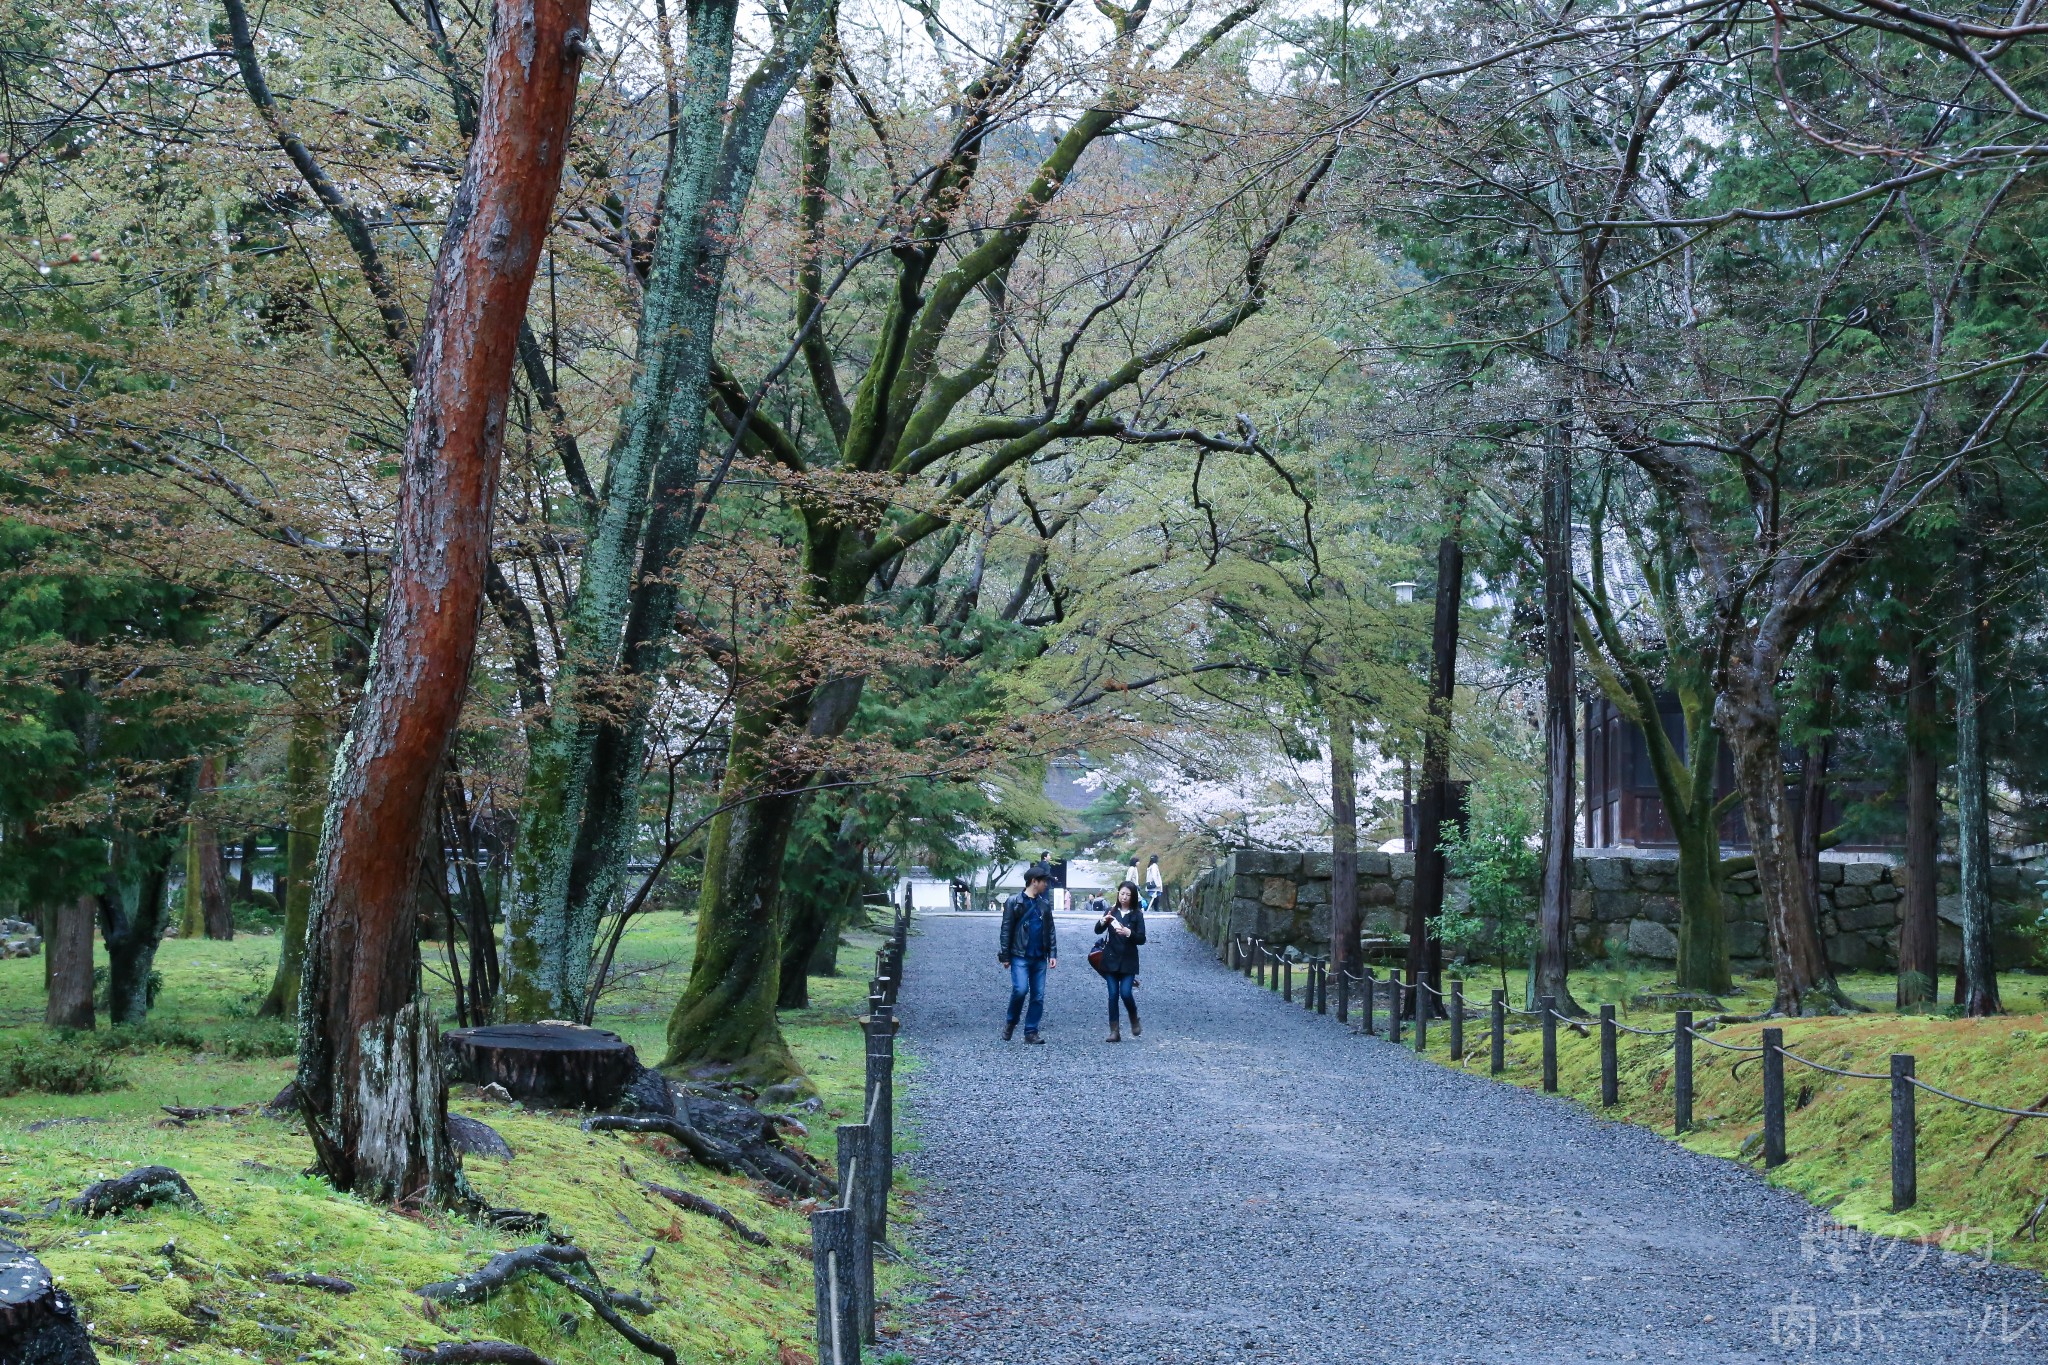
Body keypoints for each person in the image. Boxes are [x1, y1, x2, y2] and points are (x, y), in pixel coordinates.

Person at [998, 864, 1058, 1043]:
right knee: (1020, 989)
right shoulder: (1014, 902)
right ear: (1034, 882)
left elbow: (1051, 930)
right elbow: (1006, 929)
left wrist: (1053, 953)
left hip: (1039, 956)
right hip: (1019, 955)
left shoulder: (1044, 904)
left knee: (1038, 995)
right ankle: (1011, 1022)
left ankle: (1031, 1031)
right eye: (1044, 882)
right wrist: (1005, 956)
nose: (1046, 885)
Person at [1094, 880, 1148, 1042]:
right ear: (1118, 894)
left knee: (1125, 992)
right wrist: (1104, 921)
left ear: (1133, 897)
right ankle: (1114, 1031)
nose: (1124, 897)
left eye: (1128, 895)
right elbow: (1098, 930)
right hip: (1110, 959)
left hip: (1128, 960)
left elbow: (1142, 938)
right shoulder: (1111, 911)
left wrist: (1128, 932)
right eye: (1122, 893)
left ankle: (1133, 1018)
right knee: (1112, 994)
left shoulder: (1137, 915)